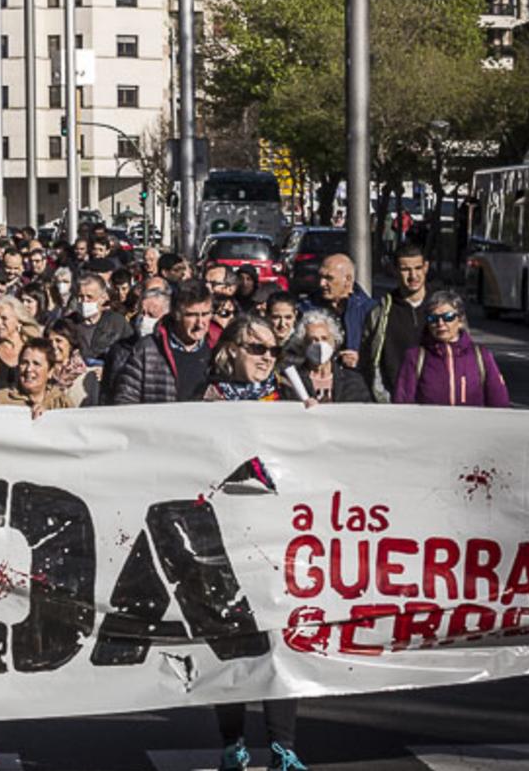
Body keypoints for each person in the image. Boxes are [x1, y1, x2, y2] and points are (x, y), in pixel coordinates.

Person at [200, 313, 309, 769]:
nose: (268, 358)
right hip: (222, 542)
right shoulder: (204, 401)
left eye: (273, 351)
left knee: (278, 645)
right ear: (232, 351)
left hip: (274, 539)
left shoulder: (286, 399)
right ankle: (233, 744)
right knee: (231, 647)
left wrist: (314, 420)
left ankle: (283, 746)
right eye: (257, 349)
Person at [392, 290, 510, 407]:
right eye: (433, 319)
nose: (440, 323)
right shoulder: (415, 357)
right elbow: (402, 404)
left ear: (460, 320)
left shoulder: (481, 356)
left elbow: (499, 403)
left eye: (448, 317)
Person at [110, 280, 214, 405]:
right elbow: (126, 399)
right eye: (191, 315)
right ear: (176, 314)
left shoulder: (217, 350)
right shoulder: (148, 350)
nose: (200, 323)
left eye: (205, 314)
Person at [361, 244, 428, 402]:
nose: (413, 276)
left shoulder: (442, 309)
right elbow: (366, 355)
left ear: (426, 267)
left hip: (434, 400)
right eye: (405, 269)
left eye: (418, 268)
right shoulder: (380, 311)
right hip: (392, 400)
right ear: (394, 270)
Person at [280, 309, 371, 404]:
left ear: (334, 342)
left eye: (324, 338)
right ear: (303, 344)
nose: (320, 344)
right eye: (313, 339)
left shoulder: (353, 380)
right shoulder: (291, 380)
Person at [311, 254, 373, 372]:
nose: (321, 283)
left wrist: (361, 360)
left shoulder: (371, 311)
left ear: (348, 279)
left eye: (329, 278)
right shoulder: (308, 308)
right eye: (320, 277)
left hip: (356, 382)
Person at [0, 337, 73, 416]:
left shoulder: (61, 402)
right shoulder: (2, 399)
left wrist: (48, 415)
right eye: (24, 363)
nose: (28, 369)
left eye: (36, 364)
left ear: (50, 372)